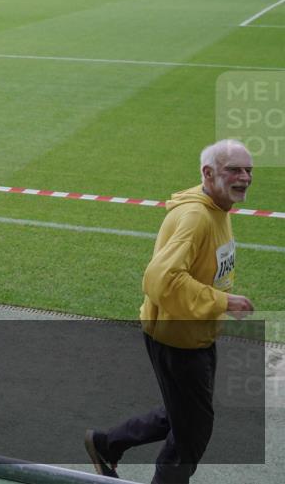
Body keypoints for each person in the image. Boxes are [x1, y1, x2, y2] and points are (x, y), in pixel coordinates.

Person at [84, 139, 255, 482]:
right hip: (178, 341)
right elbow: (161, 278)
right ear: (208, 174)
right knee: (191, 435)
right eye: (234, 170)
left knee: (185, 417)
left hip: (197, 334)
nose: (245, 177)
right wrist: (222, 301)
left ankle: (106, 443)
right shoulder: (196, 217)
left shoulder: (216, 206)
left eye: (248, 170)